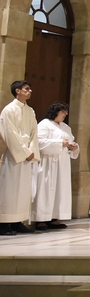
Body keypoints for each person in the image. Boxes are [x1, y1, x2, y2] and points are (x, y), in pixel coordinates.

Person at [0, 81, 40, 235]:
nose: (30, 91)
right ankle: (3, 224)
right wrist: (24, 151)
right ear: (17, 91)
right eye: (26, 89)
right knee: (9, 189)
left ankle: (18, 222)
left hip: (27, 156)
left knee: (23, 190)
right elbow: (9, 133)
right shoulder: (8, 110)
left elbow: (33, 133)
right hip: (13, 155)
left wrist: (31, 151)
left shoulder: (30, 111)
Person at [32, 102, 79, 230]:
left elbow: (70, 141)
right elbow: (39, 142)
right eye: (63, 111)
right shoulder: (44, 124)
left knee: (60, 189)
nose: (66, 114)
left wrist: (73, 147)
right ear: (55, 112)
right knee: (46, 189)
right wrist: (60, 143)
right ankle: (41, 219)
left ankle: (54, 217)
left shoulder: (65, 127)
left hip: (62, 162)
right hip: (48, 162)